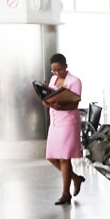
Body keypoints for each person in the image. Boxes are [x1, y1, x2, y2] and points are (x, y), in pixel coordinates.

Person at [46, 53, 85, 205]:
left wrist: (57, 105)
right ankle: (75, 178)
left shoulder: (75, 81)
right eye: (54, 71)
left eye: (60, 70)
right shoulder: (53, 79)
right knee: (51, 156)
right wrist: (48, 102)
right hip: (55, 121)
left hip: (68, 122)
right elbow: (50, 97)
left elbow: (74, 104)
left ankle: (65, 194)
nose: (57, 73)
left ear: (66, 67)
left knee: (64, 157)